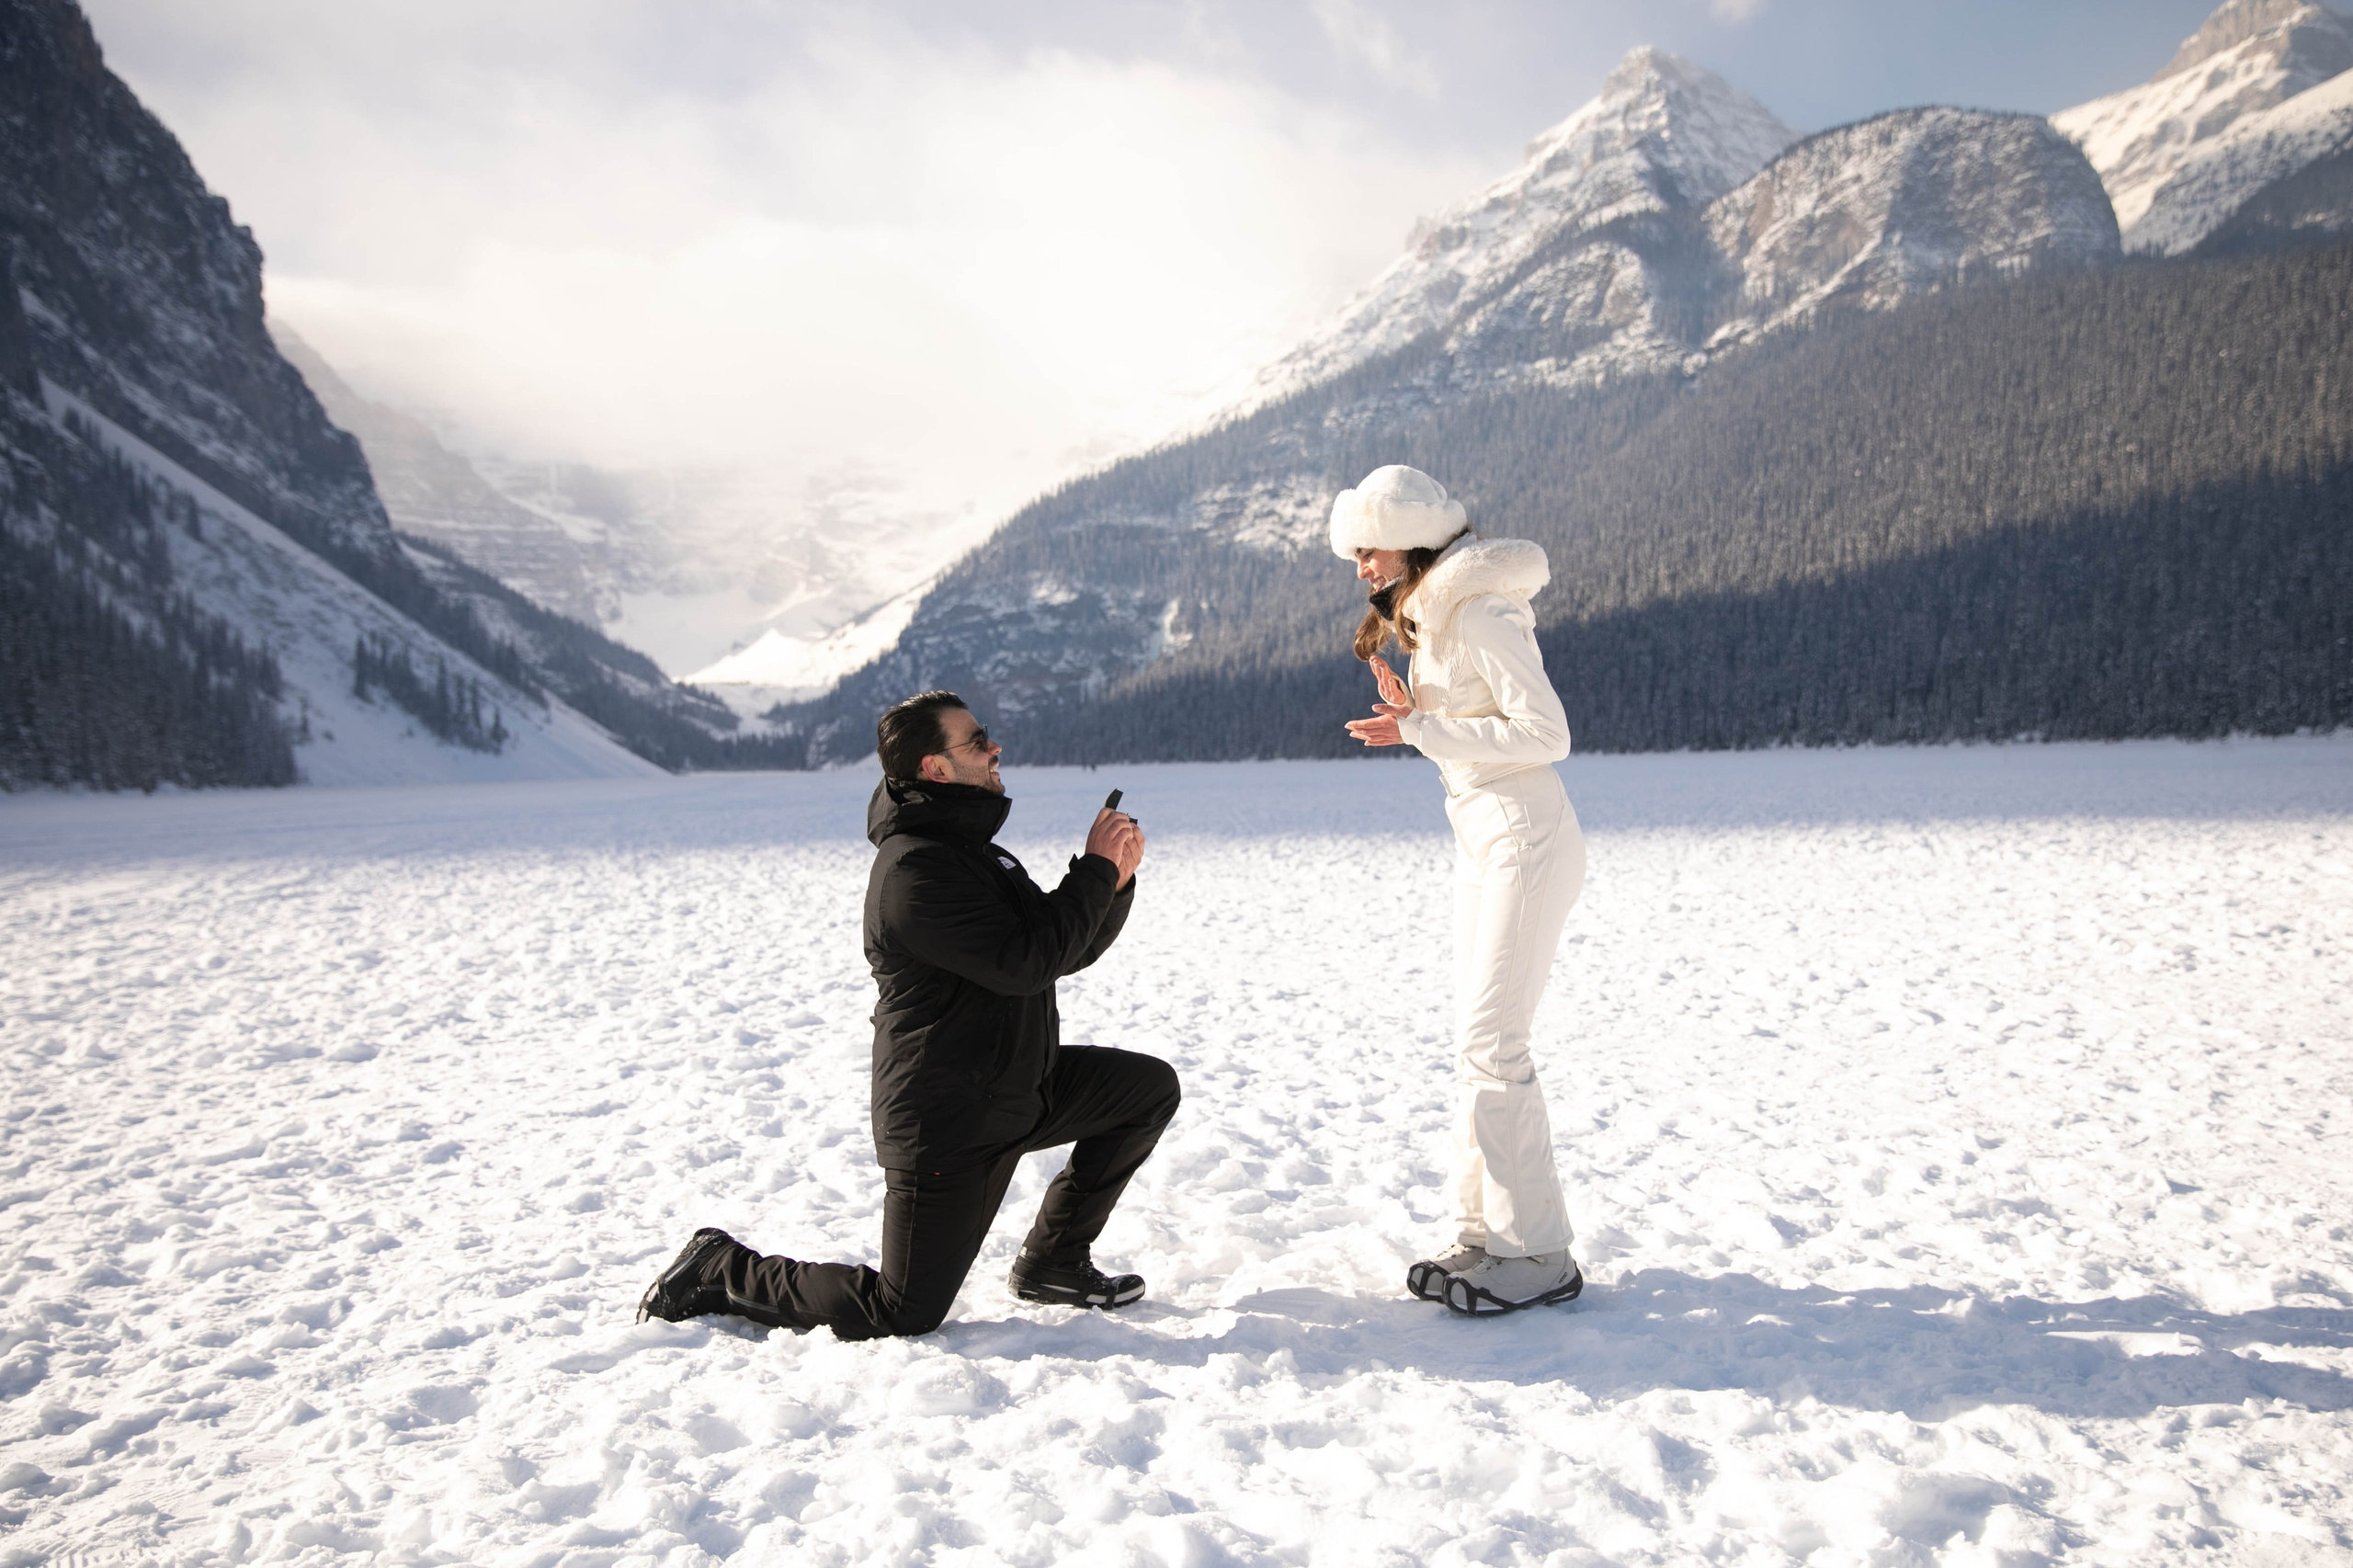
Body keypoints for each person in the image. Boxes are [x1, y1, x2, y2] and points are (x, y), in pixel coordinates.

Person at [635, 690, 1178, 1339]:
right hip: (947, 1121)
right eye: (976, 740)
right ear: (936, 768)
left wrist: (1113, 882)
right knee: (900, 1310)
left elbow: (1063, 946)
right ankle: (719, 1268)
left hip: (1015, 1089)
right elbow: (1028, 961)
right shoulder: (915, 872)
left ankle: (1054, 1264)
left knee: (1146, 1090)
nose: (995, 747)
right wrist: (1093, 869)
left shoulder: (975, 855)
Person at [1334, 464, 1586, 1316]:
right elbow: (1468, 735)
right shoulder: (1435, 622)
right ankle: (1485, 1238)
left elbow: (1545, 734)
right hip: (1486, 841)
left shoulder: (1478, 613)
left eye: (1369, 549)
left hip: (1526, 838)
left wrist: (1424, 726)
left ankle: (1538, 1254)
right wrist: (1417, 721)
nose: (1361, 567)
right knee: (1478, 1046)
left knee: (1494, 1043)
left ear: (1409, 540)